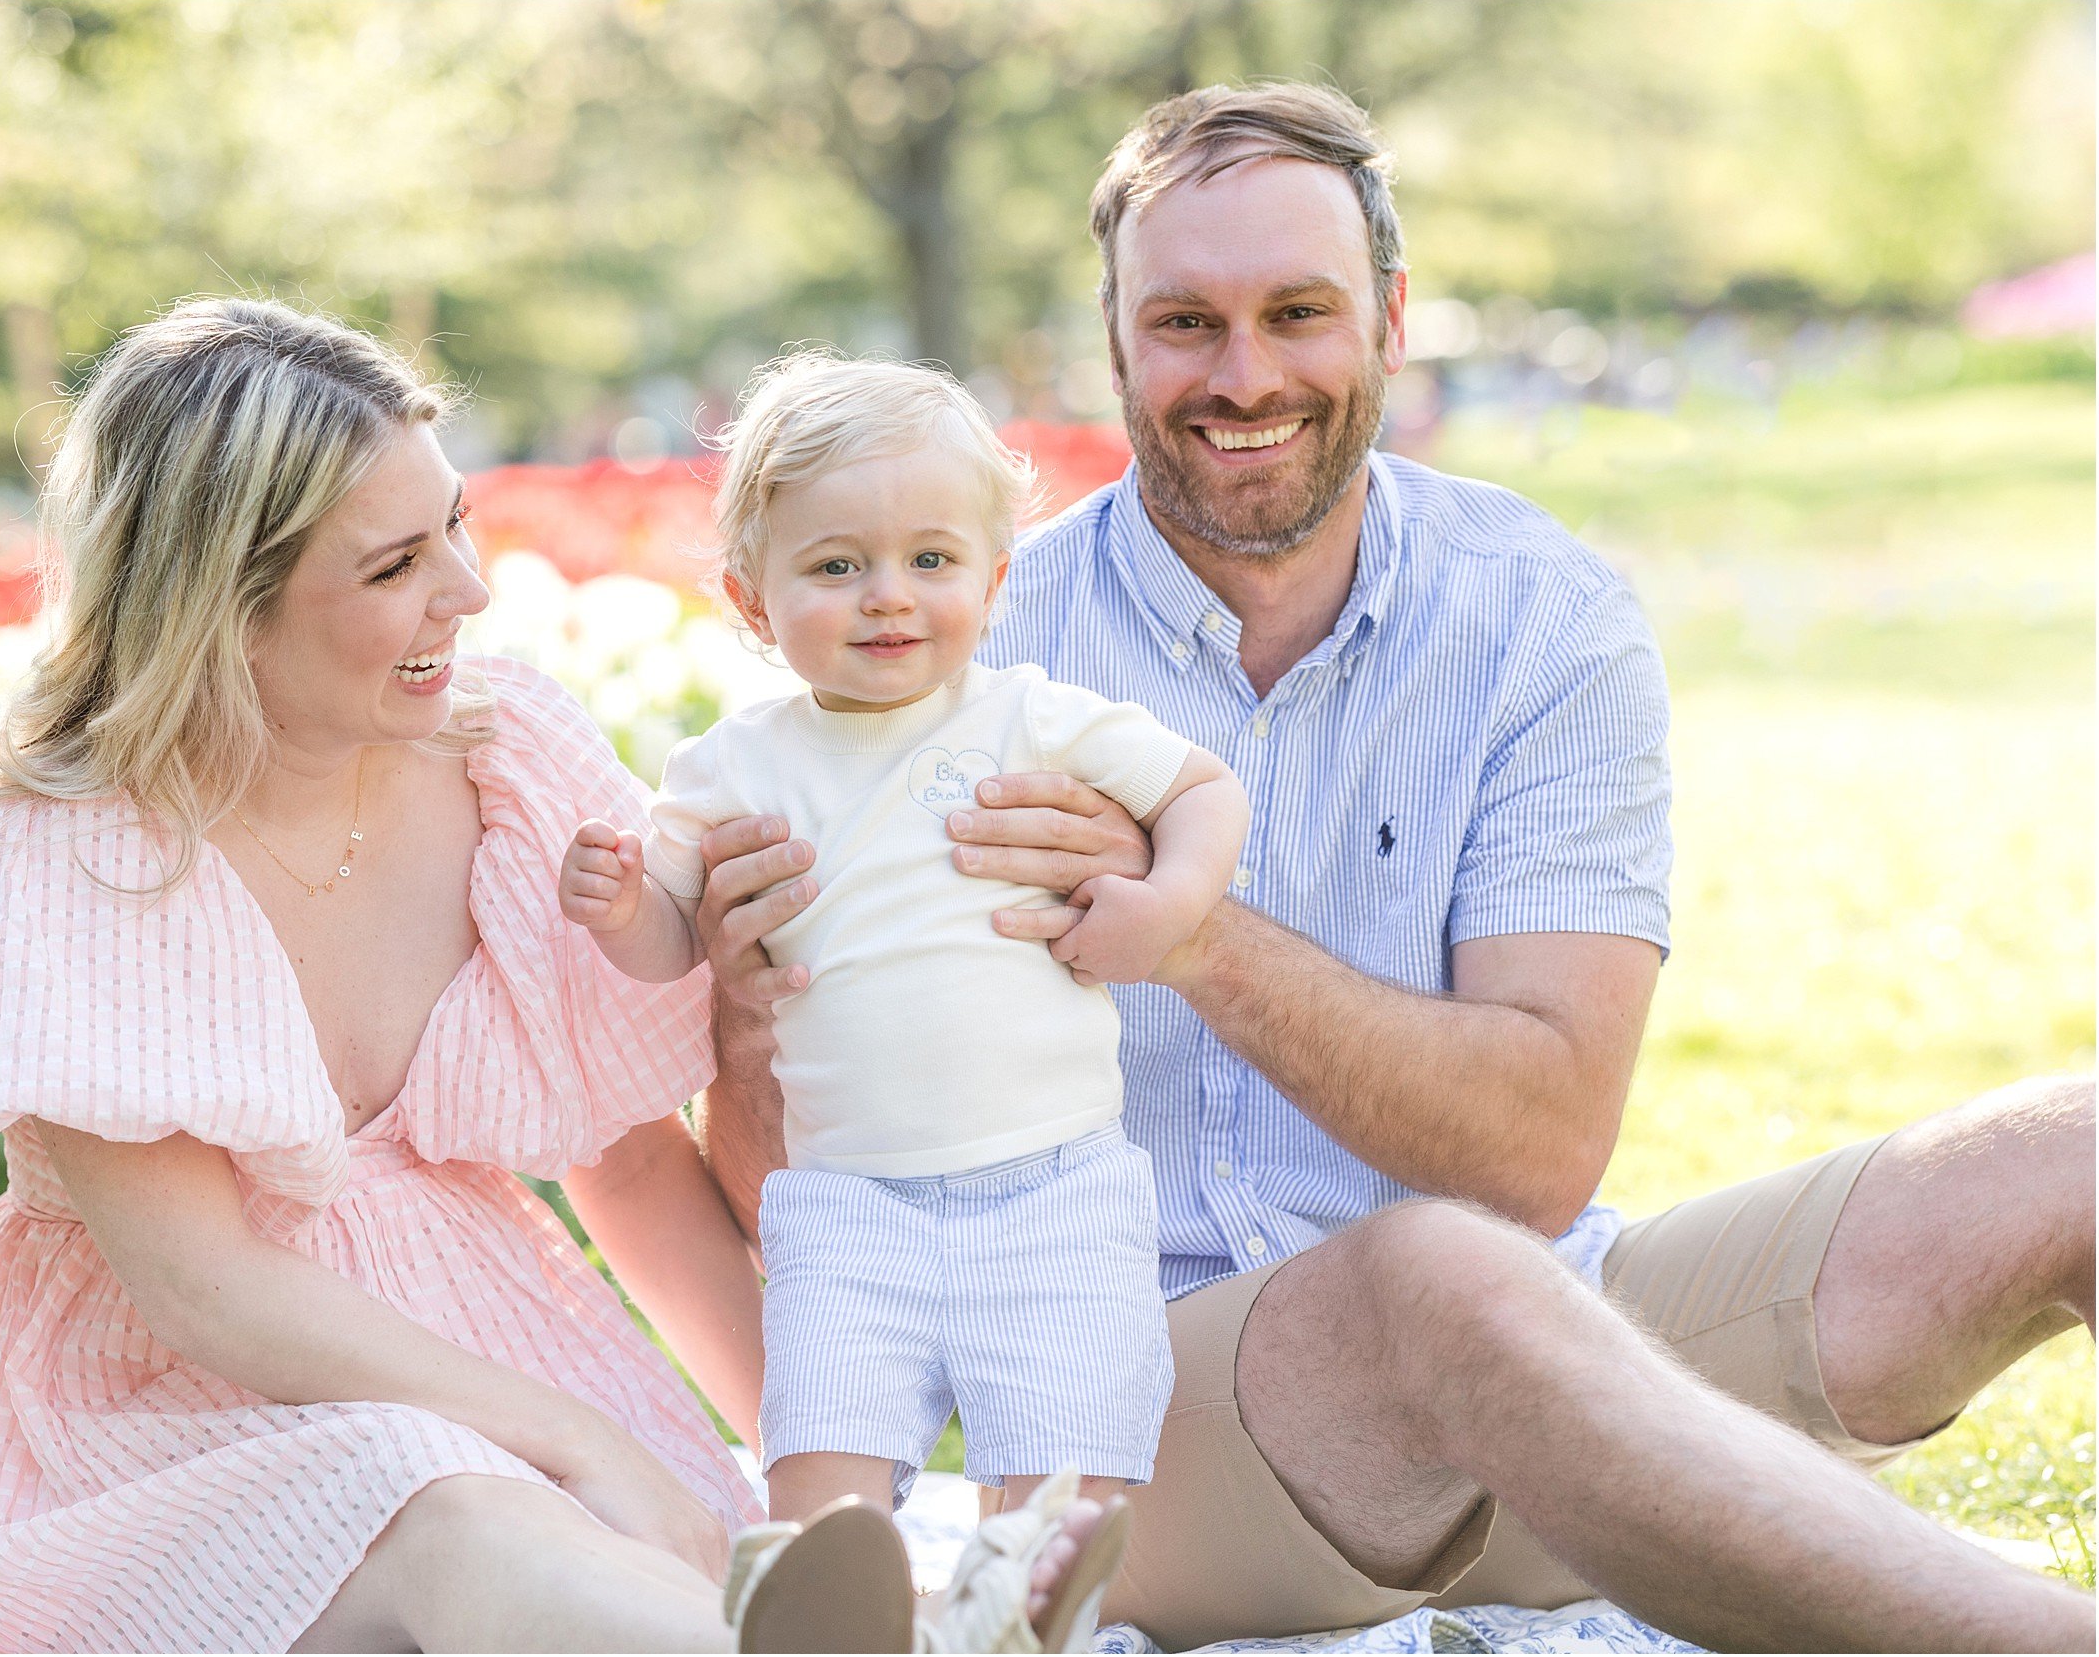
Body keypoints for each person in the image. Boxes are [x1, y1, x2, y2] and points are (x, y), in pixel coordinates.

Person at [689, 85, 2096, 1652]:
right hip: (1158, 1433)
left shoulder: (1541, 617)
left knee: (2080, 1145)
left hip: (1563, 1357)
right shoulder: (947, 638)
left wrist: (1196, 933)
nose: (1245, 376)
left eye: (1299, 312)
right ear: (1113, 339)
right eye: (1185, 322)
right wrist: (754, 1027)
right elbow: (798, 1202)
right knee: (1433, 1276)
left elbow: (1539, 1148)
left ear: (1392, 317)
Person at [0, 299, 1103, 1653]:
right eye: (396, 564)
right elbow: (207, 1287)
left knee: (616, 1545)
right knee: (456, 1512)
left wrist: (825, 1485)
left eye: (454, 525)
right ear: (223, 600)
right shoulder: (56, 849)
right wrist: (579, 1439)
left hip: (482, 1339)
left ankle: (882, 1617)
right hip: (144, 1427)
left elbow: (632, 1165)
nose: (467, 589)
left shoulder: (504, 753)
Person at [558, 354, 1246, 1581]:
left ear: (991, 576)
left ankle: (1013, 1605)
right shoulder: (734, 765)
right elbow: (674, 936)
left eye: (931, 561)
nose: (888, 597)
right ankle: (838, 1609)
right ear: (752, 599)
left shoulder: (1028, 714)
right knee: (820, 1475)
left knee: (1062, 1495)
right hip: (849, 1203)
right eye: (836, 566)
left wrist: (1166, 904)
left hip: (1054, 1188)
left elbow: (1200, 786)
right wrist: (625, 911)